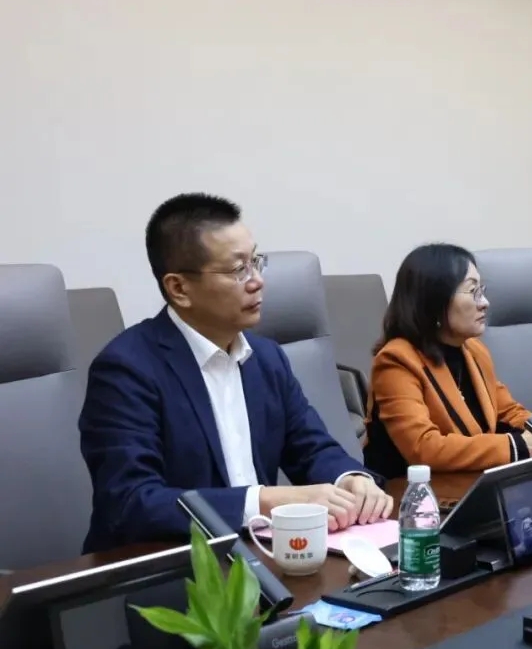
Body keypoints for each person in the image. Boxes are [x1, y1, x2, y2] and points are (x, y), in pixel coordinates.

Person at [79, 193, 391, 554]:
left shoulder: (266, 357)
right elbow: (131, 503)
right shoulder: (127, 369)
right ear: (179, 288)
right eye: (237, 270)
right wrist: (264, 502)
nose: (257, 281)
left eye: (255, 262)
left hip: (260, 555)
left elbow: (311, 448)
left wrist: (350, 479)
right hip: (169, 568)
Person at [364, 243, 532, 479]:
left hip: (469, 481)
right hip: (409, 492)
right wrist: (518, 445)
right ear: (435, 300)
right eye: (473, 291)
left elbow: (508, 411)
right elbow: (424, 448)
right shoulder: (396, 361)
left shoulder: (474, 350)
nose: (485, 302)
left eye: (482, 290)